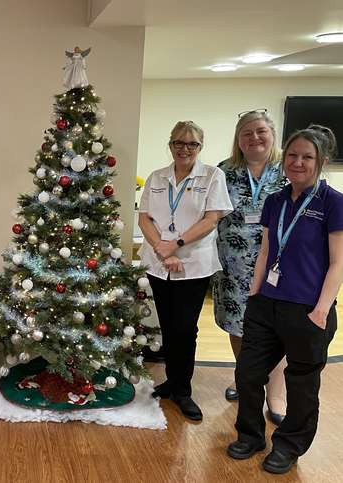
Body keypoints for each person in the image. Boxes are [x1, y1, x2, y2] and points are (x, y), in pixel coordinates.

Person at [228, 125, 342, 475]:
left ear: (321, 161)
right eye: (292, 155)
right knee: (248, 374)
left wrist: (321, 310)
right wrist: (254, 292)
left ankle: (289, 446)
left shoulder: (333, 203)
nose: (297, 162)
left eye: (307, 156)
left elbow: (339, 261)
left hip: (308, 309)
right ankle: (250, 436)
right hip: (266, 304)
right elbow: (266, 249)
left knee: (302, 384)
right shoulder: (276, 200)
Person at [138, 120, 232, 421]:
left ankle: (183, 390)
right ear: (170, 145)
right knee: (167, 326)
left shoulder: (213, 176)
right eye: (178, 142)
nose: (185, 148)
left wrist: (175, 245)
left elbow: (211, 219)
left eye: (191, 143)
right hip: (159, 263)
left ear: (200, 147)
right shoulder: (157, 177)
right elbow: (144, 219)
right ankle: (171, 381)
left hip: (193, 265)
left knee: (185, 329)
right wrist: (162, 250)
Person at [212, 110, 287, 424]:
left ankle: (277, 391)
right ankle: (245, 378)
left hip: (279, 264)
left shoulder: (289, 169)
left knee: (277, 327)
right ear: (238, 140)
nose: (254, 138)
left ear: (271, 134)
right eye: (247, 133)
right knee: (237, 324)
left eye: (260, 132)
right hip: (233, 265)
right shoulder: (223, 171)